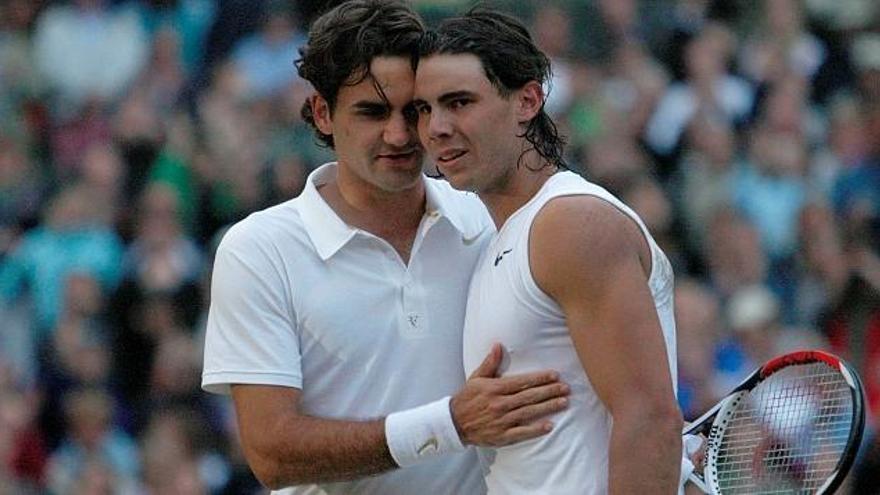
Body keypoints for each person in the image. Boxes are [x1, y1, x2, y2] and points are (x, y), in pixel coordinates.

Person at [201, 1, 569, 494]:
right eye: (372, 112)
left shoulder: (487, 219)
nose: (399, 135)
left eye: (413, 110)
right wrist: (449, 425)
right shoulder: (257, 250)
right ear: (322, 113)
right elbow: (271, 451)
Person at [413, 9, 684, 493]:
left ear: (528, 100)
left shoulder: (570, 223)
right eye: (424, 109)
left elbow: (649, 419)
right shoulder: (504, 238)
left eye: (459, 102)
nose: (436, 127)